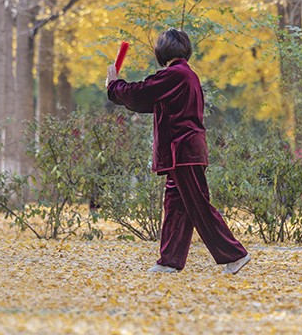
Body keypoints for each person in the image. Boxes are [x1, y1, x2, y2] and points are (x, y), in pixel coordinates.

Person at [106, 28, 250, 275]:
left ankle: (235, 254)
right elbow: (147, 101)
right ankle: (169, 261)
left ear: (161, 52)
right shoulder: (184, 76)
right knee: (176, 206)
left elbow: (139, 92)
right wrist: (116, 88)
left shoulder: (175, 75)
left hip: (183, 150)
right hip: (183, 152)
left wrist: (114, 83)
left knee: (198, 205)